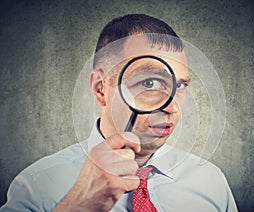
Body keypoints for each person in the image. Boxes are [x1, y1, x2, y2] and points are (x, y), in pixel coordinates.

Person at [0, 14, 238, 211]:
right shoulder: (36, 186)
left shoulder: (211, 182)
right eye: (150, 83)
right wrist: (78, 206)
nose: (172, 107)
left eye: (180, 86)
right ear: (100, 89)